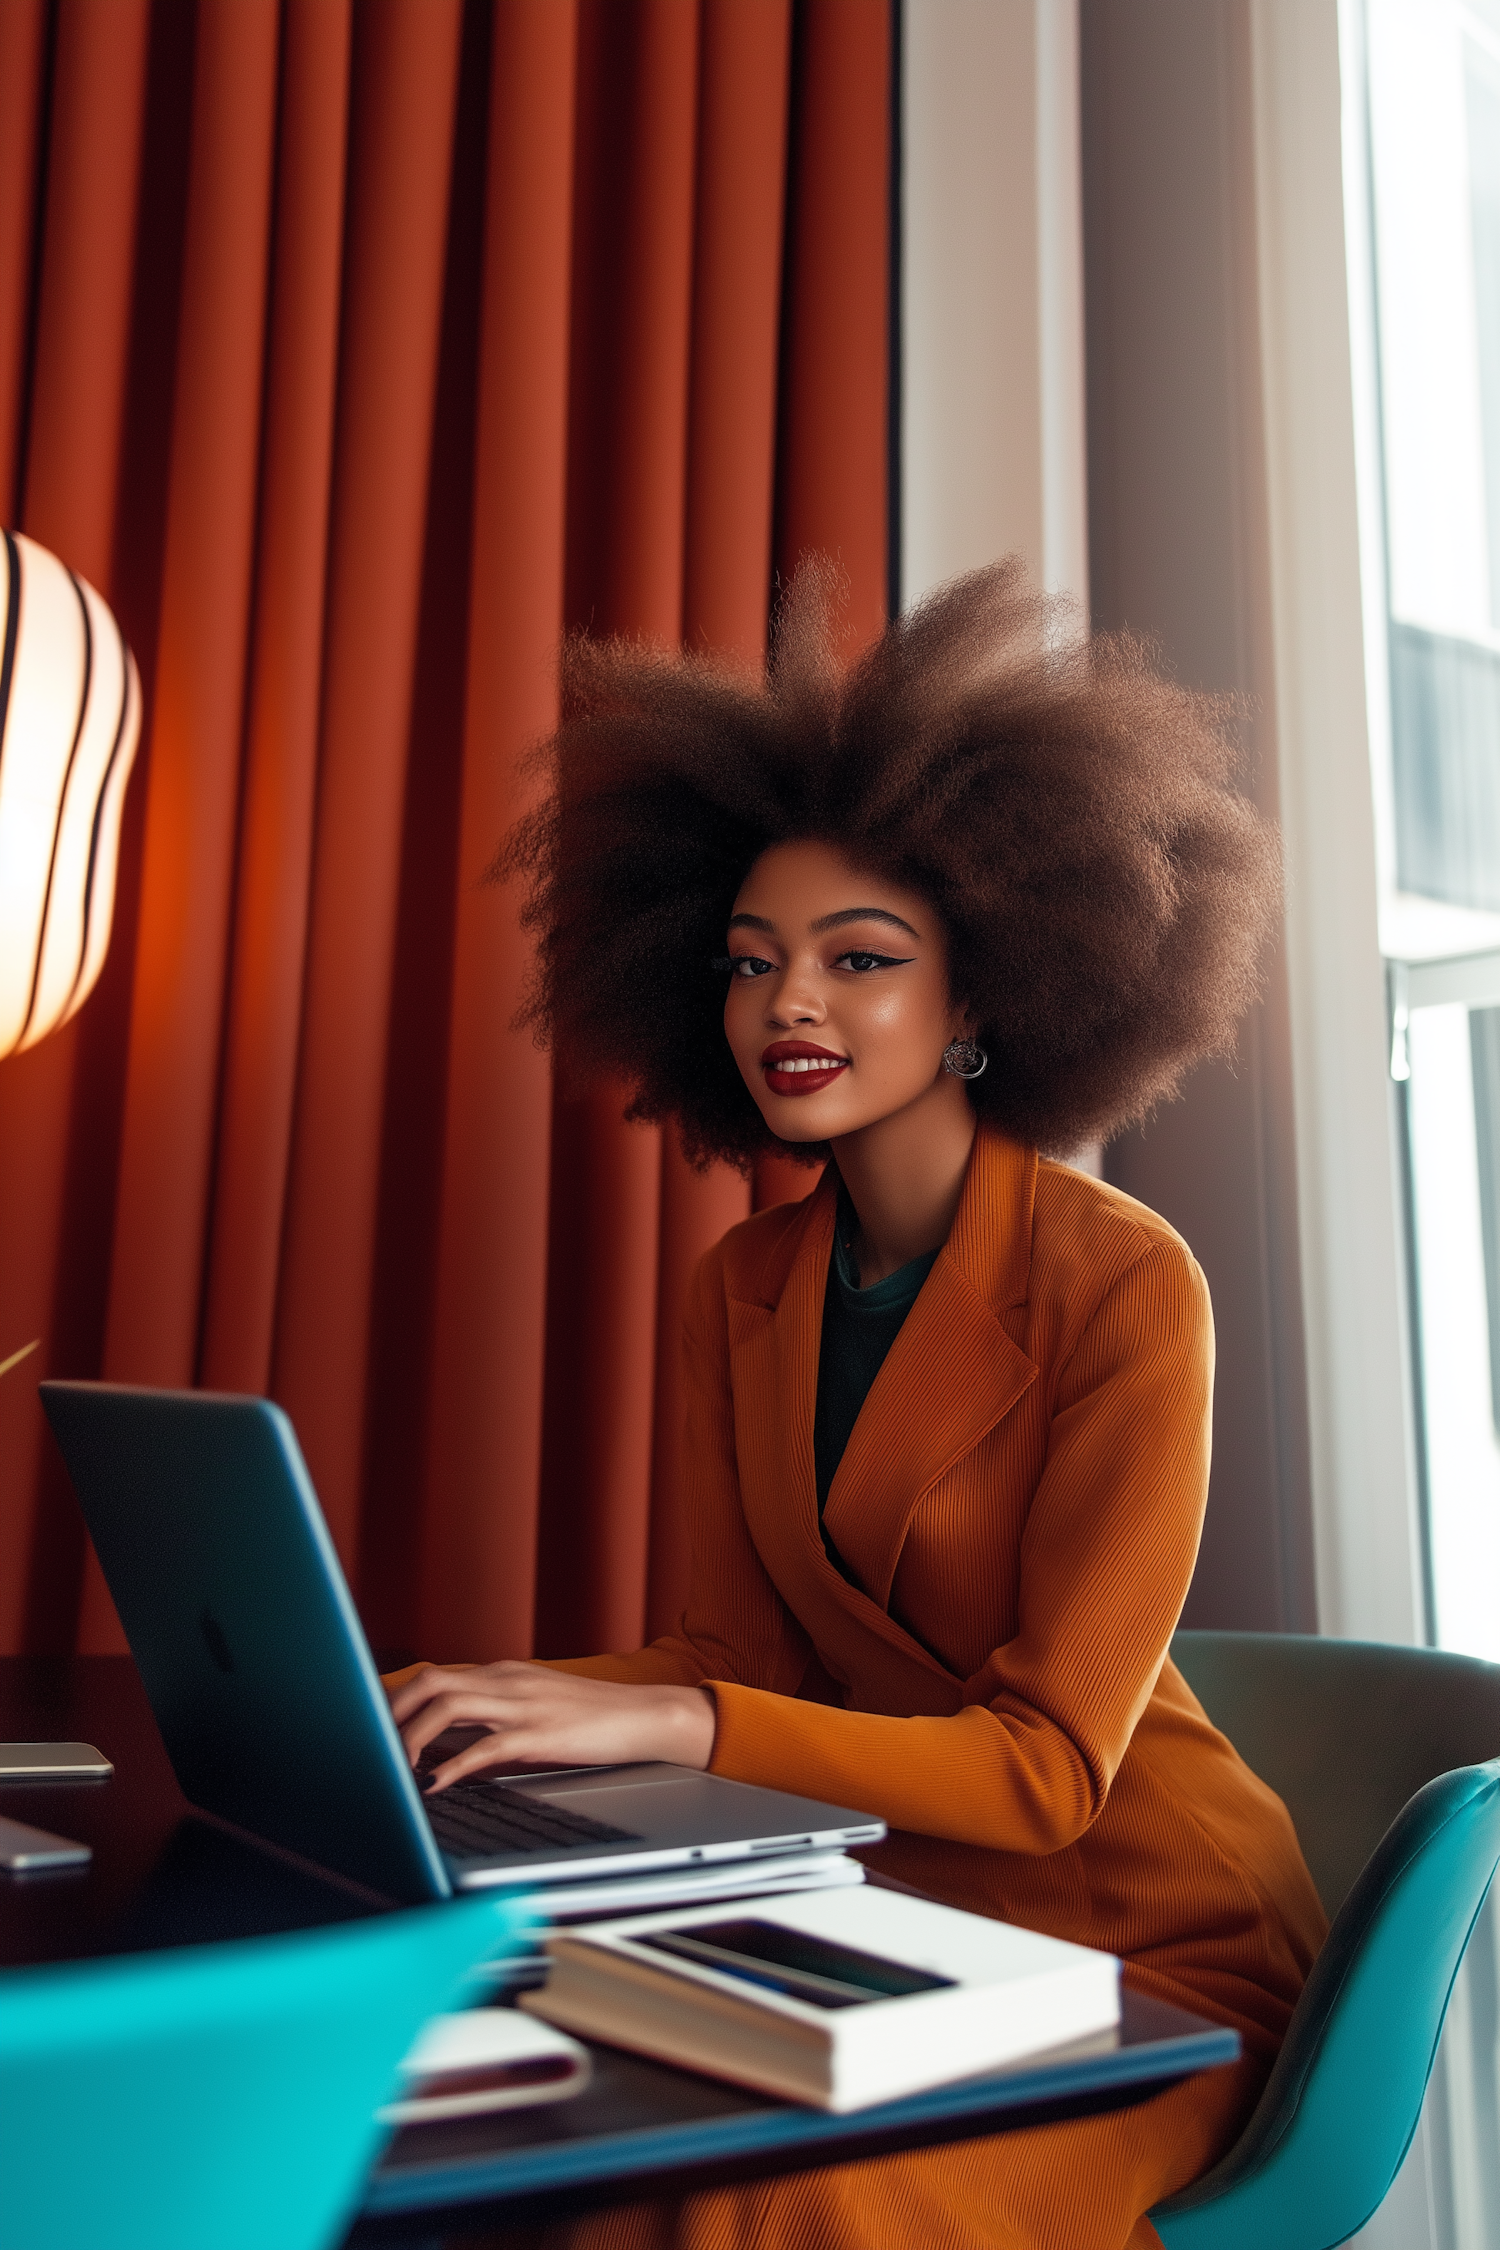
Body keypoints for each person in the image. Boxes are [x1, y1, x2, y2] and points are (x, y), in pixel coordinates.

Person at [389, 560, 1329, 2250]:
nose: (789, 1005)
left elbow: (1048, 1772)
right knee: (532, 2120)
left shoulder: (1126, 1284)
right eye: (752, 962)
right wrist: (502, 1695)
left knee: (765, 2205)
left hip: (1153, 1959)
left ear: (978, 997)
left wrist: (674, 1725)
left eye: (859, 957)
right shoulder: (741, 1293)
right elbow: (728, 1663)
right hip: (891, 1916)